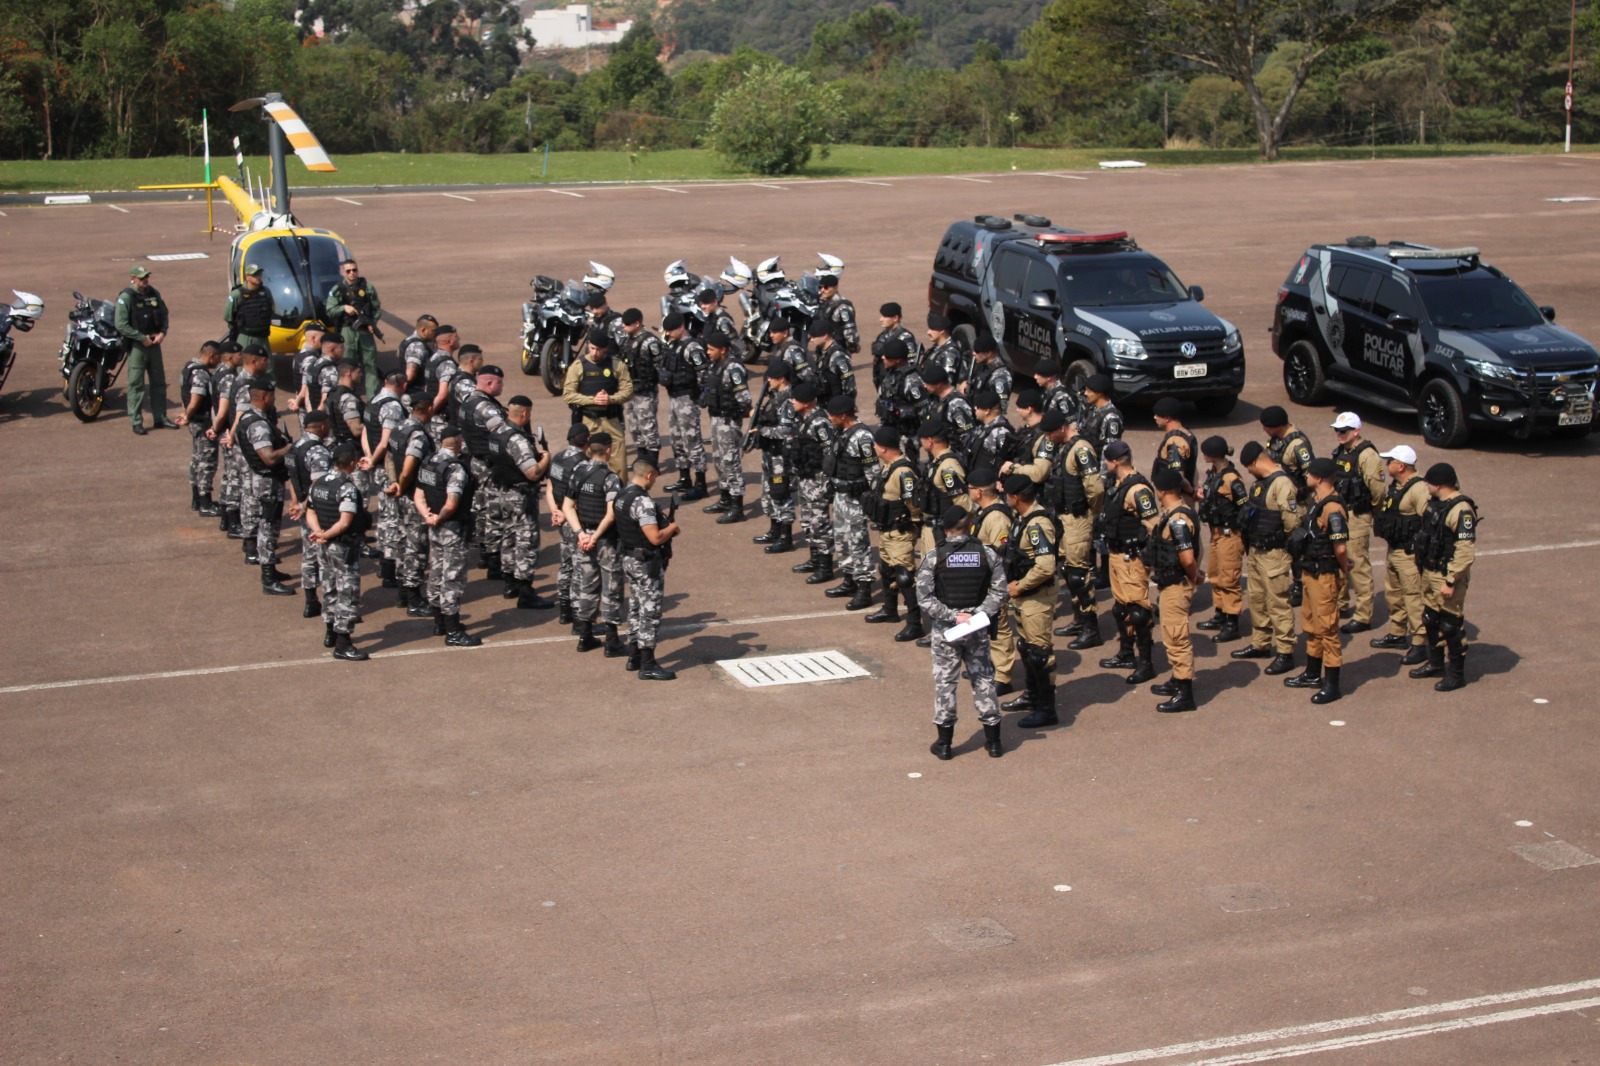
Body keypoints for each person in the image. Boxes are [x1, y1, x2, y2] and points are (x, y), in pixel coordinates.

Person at [919, 507, 1010, 759]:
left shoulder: (934, 557)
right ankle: (994, 743)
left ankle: (945, 745)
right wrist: (978, 615)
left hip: (947, 631)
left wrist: (953, 616)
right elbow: (1000, 592)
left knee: (946, 683)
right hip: (977, 628)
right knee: (983, 680)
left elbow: (924, 599)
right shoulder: (987, 554)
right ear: (970, 527)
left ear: (945, 530)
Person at [1229, 440, 1301, 675]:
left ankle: (1285, 651)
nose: (1249, 472)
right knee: (1258, 600)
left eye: (1249, 467)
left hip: (1274, 553)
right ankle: (1261, 643)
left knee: (1277, 602)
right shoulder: (1261, 484)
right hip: (1257, 552)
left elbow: (1291, 523)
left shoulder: (1282, 484)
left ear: (1256, 462)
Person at [1284, 457, 1351, 703]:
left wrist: (1344, 568)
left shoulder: (1332, 508)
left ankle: (1332, 684)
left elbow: (1340, 547)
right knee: (1311, 625)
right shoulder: (1318, 502)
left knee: (1328, 630)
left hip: (1324, 576)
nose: (1307, 476)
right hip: (1311, 573)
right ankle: (1313, 673)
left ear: (1319, 478)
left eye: (1310, 474)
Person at [1096, 441, 1161, 683]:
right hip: (1116, 555)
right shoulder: (1117, 484)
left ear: (1114, 462)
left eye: (1107, 461)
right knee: (1120, 608)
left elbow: (1154, 525)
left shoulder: (1138, 489)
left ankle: (1146, 663)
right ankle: (1126, 653)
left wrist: (1149, 557)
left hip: (1131, 557)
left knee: (1138, 612)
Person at [613, 458, 682, 681]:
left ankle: (633, 655)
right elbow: (655, 537)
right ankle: (648, 663)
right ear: (649, 476)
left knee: (635, 607)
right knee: (649, 612)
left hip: (629, 558)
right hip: (645, 563)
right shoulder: (642, 501)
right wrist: (672, 529)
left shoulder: (621, 496)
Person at [413, 424, 482, 647]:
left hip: (435, 527)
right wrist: (440, 517)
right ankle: (453, 632)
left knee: (436, 572)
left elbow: (419, 495)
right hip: (451, 528)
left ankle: (439, 623)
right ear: (459, 442)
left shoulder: (428, 463)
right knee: (452, 578)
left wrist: (428, 516)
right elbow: (452, 503)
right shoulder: (455, 468)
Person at [1411, 463, 1477, 691]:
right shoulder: (1437, 504)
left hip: (1446, 576)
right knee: (1430, 619)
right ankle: (1436, 663)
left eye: (1428, 482)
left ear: (1439, 484)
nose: (1425, 486)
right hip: (1430, 571)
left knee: (1450, 625)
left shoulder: (1461, 510)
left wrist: (1451, 581)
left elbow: (1465, 552)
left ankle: (1456, 675)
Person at [1001, 473, 1059, 727]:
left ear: (1015, 498)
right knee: (1026, 648)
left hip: (1037, 596)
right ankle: (1032, 695)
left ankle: (1046, 709)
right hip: (1026, 596)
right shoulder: (1022, 519)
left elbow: (1046, 566)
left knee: (1039, 653)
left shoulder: (1037, 525)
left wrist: (1019, 586)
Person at [561, 432, 626, 656]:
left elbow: (567, 506)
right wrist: (595, 537)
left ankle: (585, 635)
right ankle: (612, 640)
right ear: (608, 450)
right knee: (611, 587)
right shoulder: (610, 478)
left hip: (583, 538)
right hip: (604, 540)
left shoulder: (578, 472)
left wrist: (581, 534)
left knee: (586, 585)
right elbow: (610, 515)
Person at [1146, 466, 1205, 712]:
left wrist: (1194, 577)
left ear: (1161, 490)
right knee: (1171, 635)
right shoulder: (1174, 513)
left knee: (1176, 637)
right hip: (1170, 582)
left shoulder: (1178, 519)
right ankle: (1176, 679)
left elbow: (1188, 558)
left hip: (1176, 585)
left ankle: (1185, 692)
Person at [487, 395, 553, 609]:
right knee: (526, 540)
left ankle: (510, 584)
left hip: (503, 492)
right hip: (520, 496)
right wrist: (545, 459)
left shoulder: (497, 432)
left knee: (509, 536)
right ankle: (525, 591)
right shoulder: (517, 440)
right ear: (524, 414)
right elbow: (533, 473)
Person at [307, 443, 370, 661]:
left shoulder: (319, 483)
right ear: (351, 463)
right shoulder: (346, 487)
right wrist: (327, 534)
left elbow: (310, 511)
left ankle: (330, 633)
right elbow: (345, 523)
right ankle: (343, 642)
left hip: (324, 546)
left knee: (329, 587)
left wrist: (318, 532)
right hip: (342, 546)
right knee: (347, 592)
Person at [1369, 444, 1431, 666]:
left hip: (1409, 554)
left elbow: (1429, 522)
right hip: (1394, 550)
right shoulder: (1397, 484)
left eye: (1391, 461)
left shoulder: (1419, 489)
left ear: (1401, 466)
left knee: (1413, 598)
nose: (1387, 465)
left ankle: (1419, 643)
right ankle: (1397, 633)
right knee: (1394, 594)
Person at [864, 425, 925, 642]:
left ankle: (914, 623)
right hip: (886, 530)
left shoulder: (903, 471)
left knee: (905, 576)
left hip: (900, 531)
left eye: (876, 445)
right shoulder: (888, 466)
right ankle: (890, 610)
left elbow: (914, 504)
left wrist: (912, 525)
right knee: (887, 570)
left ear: (883, 448)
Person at [1051, 412, 1106, 648]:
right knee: (1068, 570)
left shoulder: (1081, 449)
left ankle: (1090, 628)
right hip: (1065, 518)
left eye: (1050, 433)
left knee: (1079, 575)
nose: (1047, 438)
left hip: (1078, 517)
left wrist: (1090, 513)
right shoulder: (1066, 447)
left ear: (1062, 428)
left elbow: (1095, 488)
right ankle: (1079, 619)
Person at [235, 376, 294, 596]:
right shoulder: (258, 424)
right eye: (272, 395)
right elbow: (268, 458)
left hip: (260, 480)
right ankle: (268, 578)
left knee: (267, 528)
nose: (274, 398)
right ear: (263, 396)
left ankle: (271, 571)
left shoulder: (249, 417)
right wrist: (289, 448)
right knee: (268, 529)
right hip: (267, 483)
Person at [1329, 412, 1385, 633]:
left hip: (1357, 515)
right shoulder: (1342, 451)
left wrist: (1369, 512)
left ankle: (1363, 615)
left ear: (1356, 431)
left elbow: (1378, 490)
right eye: (1337, 430)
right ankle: (1341, 605)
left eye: (1343, 431)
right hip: (1342, 513)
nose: (1339, 435)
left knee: (1357, 565)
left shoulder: (1367, 455)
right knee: (1338, 559)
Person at [823, 396, 878, 610]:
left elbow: (872, 471)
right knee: (842, 539)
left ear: (843, 415)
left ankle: (864, 588)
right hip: (841, 496)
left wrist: (871, 499)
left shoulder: (862, 437)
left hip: (856, 498)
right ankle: (849, 580)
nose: (829, 419)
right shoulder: (841, 433)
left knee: (858, 542)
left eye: (832, 415)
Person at [968, 467, 1018, 696]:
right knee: (983, 624)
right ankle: (990, 665)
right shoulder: (984, 511)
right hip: (982, 579)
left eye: (970, 489)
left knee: (999, 626)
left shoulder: (997, 517)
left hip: (994, 581)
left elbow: (1004, 554)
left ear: (978, 492)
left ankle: (1003, 676)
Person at [1195, 435, 1248, 643]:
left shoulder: (1232, 479)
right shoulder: (1215, 474)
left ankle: (1232, 622)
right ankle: (1220, 614)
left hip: (1229, 534)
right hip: (1216, 534)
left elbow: (1245, 507)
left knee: (1229, 579)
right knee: (1215, 575)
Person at [1261, 403, 1315, 606]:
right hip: (1280, 501)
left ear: (1277, 425)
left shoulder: (1298, 445)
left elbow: (1311, 476)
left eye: (1267, 426)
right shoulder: (1277, 440)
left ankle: (1301, 586)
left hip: (1297, 504)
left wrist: (1298, 493)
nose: (1264, 430)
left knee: (1297, 546)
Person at [388, 392, 436, 616]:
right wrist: (401, 483)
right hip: (413, 497)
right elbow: (409, 465)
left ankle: (402, 593)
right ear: (428, 409)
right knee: (416, 547)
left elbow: (390, 457)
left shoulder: (400, 428)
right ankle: (414, 598)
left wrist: (393, 483)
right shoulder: (417, 434)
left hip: (401, 496)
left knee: (402, 543)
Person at [458, 363, 509, 575]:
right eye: (499, 383)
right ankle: (493, 559)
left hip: (475, 461)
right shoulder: (485, 408)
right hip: (488, 464)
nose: (502, 387)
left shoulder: (467, 402)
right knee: (493, 510)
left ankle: (483, 552)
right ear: (489, 382)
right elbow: (504, 435)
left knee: (480, 508)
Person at [564, 326, 633, 480]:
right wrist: (592, 400)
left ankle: (618, 498)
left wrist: (610, 399)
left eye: (599, 350)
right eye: (592, 348)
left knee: (619, 466)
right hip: (588, 421)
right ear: (588, 344)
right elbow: (568, 395)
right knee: (586, 465)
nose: (594, 353)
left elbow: (628, 390)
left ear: (606, 349)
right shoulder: (578, 366)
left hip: (612, 420)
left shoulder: (616, 365)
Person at [285, 410, 334, 621]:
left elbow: (293, 478)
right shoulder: (318, 452)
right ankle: (332, 605)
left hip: (304, 507)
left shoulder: (294, 447)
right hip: (318, 511)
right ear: (322, 426)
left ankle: (310, 600)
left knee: (308, 555)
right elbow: (319, 486)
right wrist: (304, 507)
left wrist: (296, 503)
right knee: (326, 558)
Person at [114, 266, 175, 435]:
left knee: (159, 382)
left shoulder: (153, 293)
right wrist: (141, 338)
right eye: (141, 278)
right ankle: (136, 421)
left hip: (154, 344)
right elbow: (121, 324)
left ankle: (160, 417)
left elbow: (164, 314)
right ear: (132, 278)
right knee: (136, 384)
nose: (145, 280)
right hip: (138, 346)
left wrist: (163, 332)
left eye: (146, 277)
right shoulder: (126, 297)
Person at [787, 382, 838, 583]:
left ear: (807, 402)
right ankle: (815, 559)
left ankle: (825, 567)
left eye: (796, 399)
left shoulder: (819, 422)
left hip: (818, 479)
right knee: (808, 520)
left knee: (820, 522)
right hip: (806, 477)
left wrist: (826, 482)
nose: (792, 402)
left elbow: (829, 452)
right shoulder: (804, 419)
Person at [699, 331, 752, 522]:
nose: (708, 352)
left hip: (728, 422)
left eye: (711, 349)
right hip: (715, 419)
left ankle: (737, 506)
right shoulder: (715, 365)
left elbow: (745, 401)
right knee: (719, 460)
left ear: (723, 350)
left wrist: (734, 418)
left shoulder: (734, 369)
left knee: (731, 462)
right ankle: (725, 498)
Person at [363, 370, 409, 589]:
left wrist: (368, 456)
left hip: (376, 465)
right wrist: (373, 460)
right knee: (392, 517)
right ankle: (390, 569)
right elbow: (386, 442)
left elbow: (365, 432)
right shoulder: (392, 406)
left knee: (384, 514)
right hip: (387, 467)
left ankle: (385, 563)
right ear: (403, 385)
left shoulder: (374, 401)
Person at [658, 313, 709, 500]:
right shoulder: (673, 345)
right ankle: (684, 477)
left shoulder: (692, 347)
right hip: (674, 398)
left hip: (687, 399)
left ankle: (701, 483)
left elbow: (703, 372)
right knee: (677, 440)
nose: (668, 333)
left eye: (671, 330)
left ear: (681, 327)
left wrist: (702, 394)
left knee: (692, 441)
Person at [546, 424, 591, 626]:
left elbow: (550, 486)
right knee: (579, 568)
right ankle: (578, 616)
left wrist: (555, 510)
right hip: (575, 521)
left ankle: (565, 610)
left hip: (561, 518)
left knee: (565, 566)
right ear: (587, 441)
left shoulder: (558, 458)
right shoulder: (583, 466)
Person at [750, 359, 797, 553]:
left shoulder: (788, 401)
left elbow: (786, 430)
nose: (768, 380)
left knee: (780, 493)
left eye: (772, 377)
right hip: (770, 453)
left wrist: (763, 432)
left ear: (782, 379)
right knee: (768, 492)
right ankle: (774, 529)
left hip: (781, 455)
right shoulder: (775, 396)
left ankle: (785, 537)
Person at [175, 341, 222, 516]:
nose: (218, 362)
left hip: (194, 422)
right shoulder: (201, 374)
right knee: (206, 462)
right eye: (217, 358)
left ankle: (196, 498)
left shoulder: (188, 367)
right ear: (211, 356)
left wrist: (186, 413)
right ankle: (205, 503)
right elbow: (195, 399)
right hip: (203, 423)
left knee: (196, 459)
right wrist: (188, 414)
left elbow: (184, 395)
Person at [325, 258, 383, 397]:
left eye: (354, 270)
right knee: (347, 366)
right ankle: (347, 396)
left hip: (364, 330)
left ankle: (372, 398)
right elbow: (330, 310)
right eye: (348, 271)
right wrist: (343, 308)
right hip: (348, 330)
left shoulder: (367, 287)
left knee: (370, 365)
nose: (352, 273)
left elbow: (376, 308)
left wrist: (372, 323)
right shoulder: (338, 289)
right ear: (343, 272)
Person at [618, 308, 663, 467]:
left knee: (648, 427)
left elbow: (660, 366)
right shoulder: (626, 340)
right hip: (630, 391)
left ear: (637, 323)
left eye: (627, 323)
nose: (623, 326)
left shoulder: (650, 342)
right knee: (634, 426)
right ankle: (641, 457)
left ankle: (652, 463)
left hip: (645, 392)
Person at [207, 341, 244, 535]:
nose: (242, 356)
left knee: (228, 475)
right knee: (234, 477)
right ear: (230, 357)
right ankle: (233, 522)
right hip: (230, 433)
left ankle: (224, 518)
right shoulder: (229, 378)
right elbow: (222, 410)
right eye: (239, 354)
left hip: (224, 431)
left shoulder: (218, 373)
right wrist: (217, 428)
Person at [875, 337, 925, 455]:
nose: (883, 357)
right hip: (891, 431)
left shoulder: (912, 380)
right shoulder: (892, 373)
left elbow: (924, 412)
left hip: (907, 437)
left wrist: (919, 439)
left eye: (887, 356)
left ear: (897, 360)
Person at [920, 364, 975, 457]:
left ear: (938, 385)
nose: (925, 386)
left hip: (953, 457)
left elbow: (968, 436)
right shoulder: (937, 400)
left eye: (928, 384)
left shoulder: (956, 404)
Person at [223, 263, 274, 355]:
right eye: (254, 275)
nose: (258, 277)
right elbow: (228, 316)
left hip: (263, 336)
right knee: (244, 364)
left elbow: (271, 309)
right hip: (246, 336)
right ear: (247, 277)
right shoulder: (237, 294)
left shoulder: (266, 292)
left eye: (259, 274)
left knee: (268, 366)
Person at [808, 312, 857, 405]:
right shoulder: (822, 352)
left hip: (836, 405)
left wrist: (845, 407)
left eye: (814, 336)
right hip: (825, 403)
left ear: (825, 336)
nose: (811, 340)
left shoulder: (838, 357)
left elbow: (850, 386)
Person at [1151, 398, 1197, 493]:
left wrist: (1192, 492)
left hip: (1176, 497)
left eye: (1158, 415)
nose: (1155, 417)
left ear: (1167, 418)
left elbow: (1178, 475)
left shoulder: (1175, 441)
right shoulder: (1186, 433)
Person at [871, 302, 920, 387]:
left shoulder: (905, 338)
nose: (881, 319)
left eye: (885, 317)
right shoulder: (884, 335)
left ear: (895, 318)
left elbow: (911, 364)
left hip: (897, 383)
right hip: (883, 380)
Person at [967, 388, 1014, 475]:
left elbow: (1007, 460)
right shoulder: (984, 426)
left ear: (987, 411)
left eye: (977, 407)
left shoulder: (1001, 432)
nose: (975, 409)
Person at [287, 322, 327, 418]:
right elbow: (306, 386)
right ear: (314, 338)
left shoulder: (300, 355)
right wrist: (297, 401)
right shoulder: (310, 359)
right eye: (322, 339)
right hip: (309, 407)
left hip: (303, 406)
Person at [964, 334, 1011, 414]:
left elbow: (1001, 408)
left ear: (988, 353)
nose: (974, 353)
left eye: (977, 351)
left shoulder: (1000, 375)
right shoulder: (983, 365)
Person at [695, 287, 745, 362]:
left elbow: (736, 345)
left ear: (715, 302)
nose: (703, 307)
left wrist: (731, 364)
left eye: (706, 303)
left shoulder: (722, 320)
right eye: (701, 304)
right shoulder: (710, 317)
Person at [817, 271, 859, 356]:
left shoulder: (843, 307)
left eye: (826, 287)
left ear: (835, 288)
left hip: (838, 350)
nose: (822, 290)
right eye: (820, 287)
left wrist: (852, 346)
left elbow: (850, 330)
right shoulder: (825, 303)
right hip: (824, 349)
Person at [1078, 373, 1123, 453]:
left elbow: (1111, 450)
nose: (1085, 393)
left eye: (1089, 391)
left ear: (1099, 393)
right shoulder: (1092, 409)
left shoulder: (1111, 417)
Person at [1033, 358, 1082, 428]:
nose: (1035, 377)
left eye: (1038, 374)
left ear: (1049, 377)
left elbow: (1071, 424)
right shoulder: (1047, 390)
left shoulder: (1061, 396)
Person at [399, 314, 438, 400]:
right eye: (433, 331)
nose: (436, 334)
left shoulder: (408, 340)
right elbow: (411, 373)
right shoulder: (417, 346)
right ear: (423, 330)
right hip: (416, 393)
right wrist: (400, 390)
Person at [922, 314, 965, 387]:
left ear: (942, 331)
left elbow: (947, 382)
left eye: (932, 329)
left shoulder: (950, 353)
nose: (928, 332)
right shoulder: (936, 347)